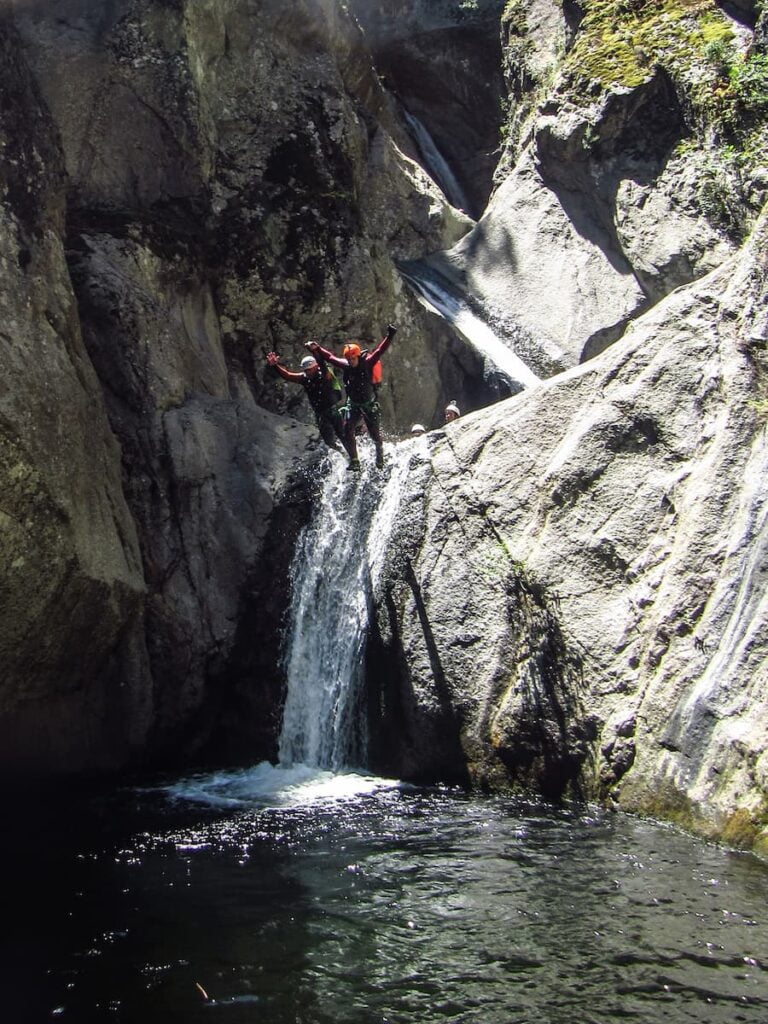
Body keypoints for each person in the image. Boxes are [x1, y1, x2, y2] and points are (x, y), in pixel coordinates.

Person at [307, 324, 397, 471]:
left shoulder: (368, 363)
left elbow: (380, 350)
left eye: (352, 358)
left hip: (369, 404)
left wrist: (390, 335)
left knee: (374, 434)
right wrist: (317, 349)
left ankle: (379, 452)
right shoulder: (346, 365)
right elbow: (329, 357)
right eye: (348, 358)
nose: (350, 361)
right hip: (353, 404)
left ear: (357, 356)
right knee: (347, 429)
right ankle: (355, 460)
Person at [265, 349, 349, 456]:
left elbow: (323, 365)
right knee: (329, 442)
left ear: (315, 367)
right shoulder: (304, 378)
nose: (307, 372)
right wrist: (275, 365)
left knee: (342, 435)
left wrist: (316, 352)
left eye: (309, 370)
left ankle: (354, 457)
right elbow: (287, 375)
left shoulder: (324, 375)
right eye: (305, 370)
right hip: (320, 414)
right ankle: (343, 453)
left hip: (332, 411)